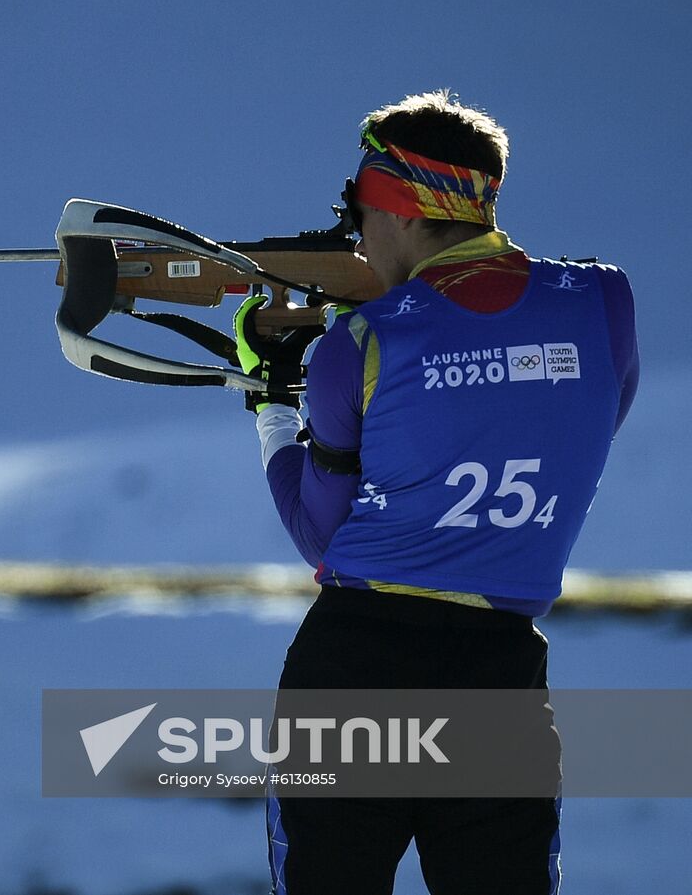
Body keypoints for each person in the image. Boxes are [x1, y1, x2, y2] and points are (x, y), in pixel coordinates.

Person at [231, 91, 640, 894]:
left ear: (399, 208)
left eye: (357, 206)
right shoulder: (602, 305)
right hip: (499, 668)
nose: (352, 230)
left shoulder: (361, 341)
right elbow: (586, 426)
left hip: (355, 661)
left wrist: (272, 398)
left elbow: (321, 531)